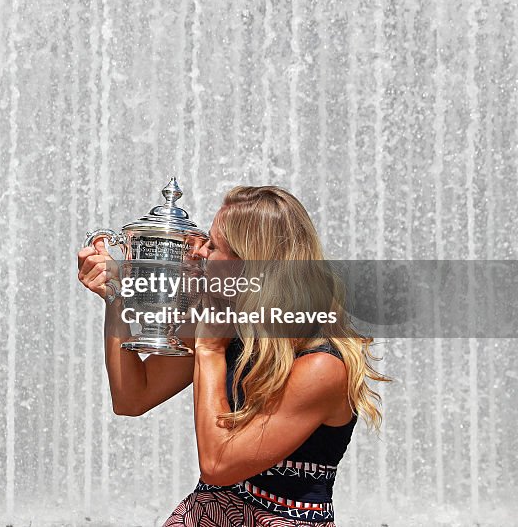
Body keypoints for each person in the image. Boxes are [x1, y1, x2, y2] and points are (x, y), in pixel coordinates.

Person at [76, 185, 390, 527]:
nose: (198, 253)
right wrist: (116, 295)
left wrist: (209, 351)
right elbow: (132, 398)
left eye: (213, 246)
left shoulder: (322, 365)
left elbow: (219, 467)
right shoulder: (233, 324)